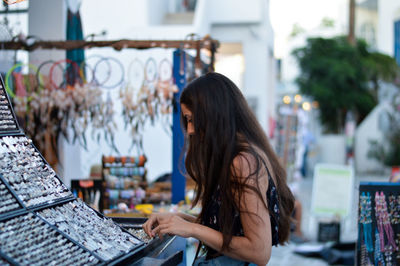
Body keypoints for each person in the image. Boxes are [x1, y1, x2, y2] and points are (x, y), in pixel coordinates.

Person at [143, 72, 295, 265]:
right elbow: (230, 230)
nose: (190, 130)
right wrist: (181, 220)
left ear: (213, 114)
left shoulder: (243, 162)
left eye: (191, 119)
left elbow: (258, 251)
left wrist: (193, 229)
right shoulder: (245, 155)